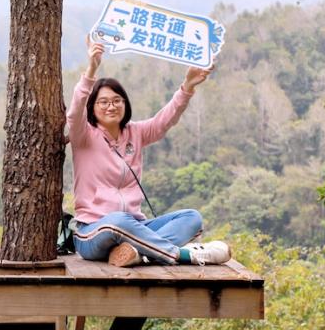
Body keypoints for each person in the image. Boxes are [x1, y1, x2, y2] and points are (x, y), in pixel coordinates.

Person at [66, 37, 231, 267]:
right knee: (118, 221)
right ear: (92, 107)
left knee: (192, 218)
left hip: (136, 227)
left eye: (117, 100)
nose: (111, 106)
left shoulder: (136, 132)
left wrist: (188, 86)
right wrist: (92, 68)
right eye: (103, 102)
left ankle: (138, 253)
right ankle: (184, 255)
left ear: (125, 104)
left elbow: (165, 121)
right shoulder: (84, 135)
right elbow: (74, 114)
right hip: (93, 231)